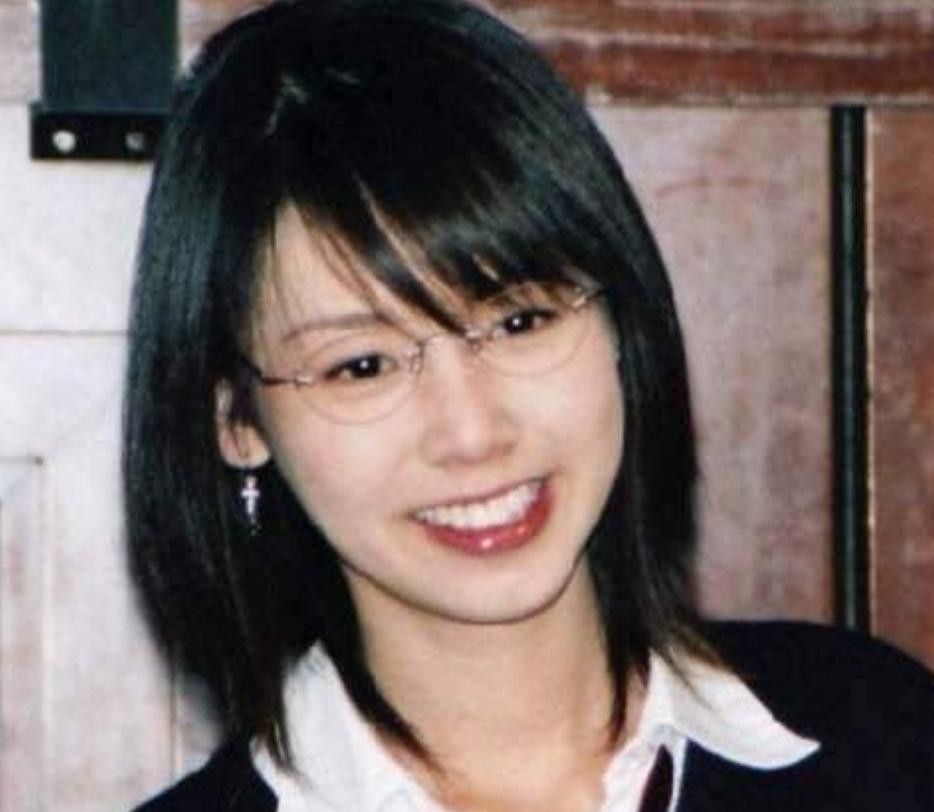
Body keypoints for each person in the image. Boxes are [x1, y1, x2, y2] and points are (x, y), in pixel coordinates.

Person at [124, 1, 933, 810]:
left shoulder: (885, 741)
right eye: (362, 366)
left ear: (620, 318)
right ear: (237, 422)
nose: (472, 432)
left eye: (521, 321)